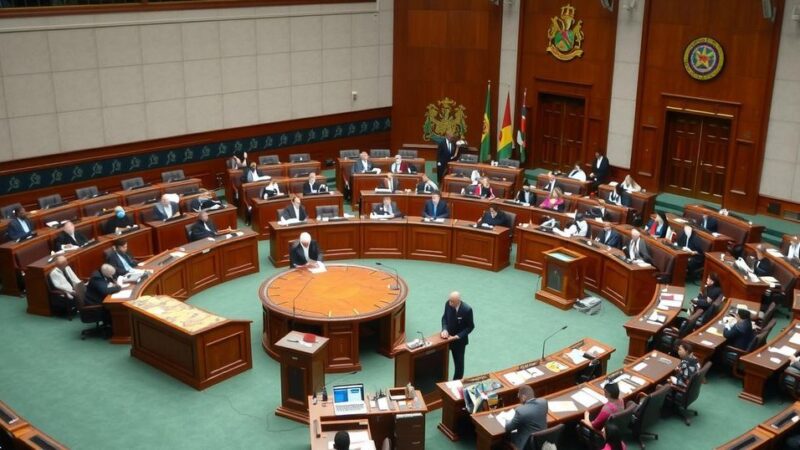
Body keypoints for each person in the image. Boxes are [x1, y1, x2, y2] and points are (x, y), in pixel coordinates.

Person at [440, 291, 474, 380]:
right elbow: (444, 318)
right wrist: (444, 329)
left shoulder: (467, 310)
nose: (450, 303)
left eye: (452, 302)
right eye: (450, 301)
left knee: (459, 367)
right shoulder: (448, 304)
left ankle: (455, 384)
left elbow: (470, 327)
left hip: (459, 342)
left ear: (458, 301)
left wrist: (458, 336)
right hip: (446, 339)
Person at [504, 385, 547, 450]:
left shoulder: (521, 411)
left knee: (505, 438)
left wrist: (506, 420)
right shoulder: (544, 402)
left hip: (526, 446)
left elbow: (509, 428)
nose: (519, 400)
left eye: (519, 397)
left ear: (523, 397)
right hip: (542, 442)